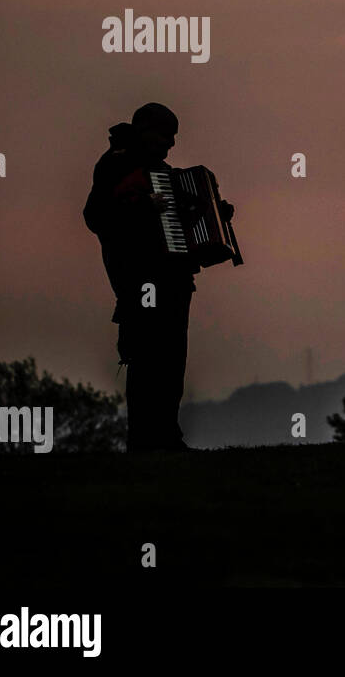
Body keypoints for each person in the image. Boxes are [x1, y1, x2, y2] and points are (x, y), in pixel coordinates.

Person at [83, 102, 228, 452]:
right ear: (145, 129)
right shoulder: (114, 164)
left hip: (173, 279)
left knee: (171, 359)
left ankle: (166, 437)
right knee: (148, 360)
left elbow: (183, 219)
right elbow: (95, 217)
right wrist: (142, 208)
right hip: (139, 279)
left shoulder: (162, 172)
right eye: (166, 135)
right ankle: (144, 440)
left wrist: (216, 215)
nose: (172, 144)